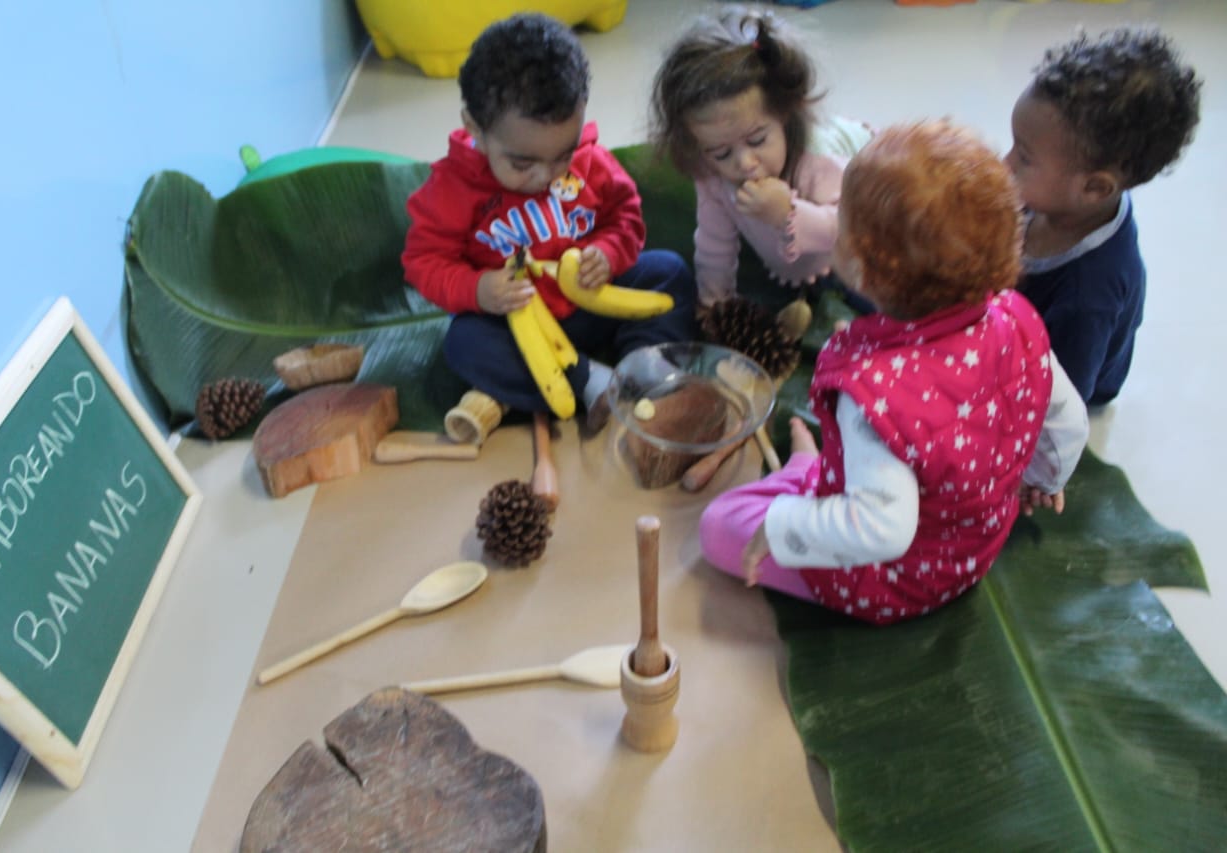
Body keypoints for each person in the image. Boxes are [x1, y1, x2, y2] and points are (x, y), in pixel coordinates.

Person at [699, 120, 1089, 625]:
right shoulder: (1015, 315)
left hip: (897, 580)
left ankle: (800, 477)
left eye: (841, 222)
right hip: (976, 542)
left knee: (719, 525)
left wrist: (781, 528)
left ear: (860, 272)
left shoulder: (874, 393)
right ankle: (807, 478)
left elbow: (881, 529)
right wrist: (1042, 478)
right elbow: (1069, 421)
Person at [401, 12, 696, 433]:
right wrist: (478, 289)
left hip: (595, 303)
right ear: (475, 129)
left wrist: (608, 253)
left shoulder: (591, 162)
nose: (546, 175)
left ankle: (643, 367)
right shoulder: (450, 189)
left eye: (563, 155)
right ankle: (589, 382)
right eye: (523, 164)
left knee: (668, 271)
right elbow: (424, 262)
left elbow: (625, 216)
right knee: (464, 344)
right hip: (515, 328)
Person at [1005, 27, 1201, 407]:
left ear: (1096, 188)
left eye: (1024, 158)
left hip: (1061, 378)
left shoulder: (1087, 298)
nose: (1005, 163)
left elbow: (1062, 402)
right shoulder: (1070, 199)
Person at [649, 4, 870, 310]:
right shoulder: (711, 172)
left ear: (786, 113)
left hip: (862, 236)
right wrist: (714, 304)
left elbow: (855, 228)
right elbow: (715, 244)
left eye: (757, 140)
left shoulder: (818, 160)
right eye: (722, 153)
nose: (744, 163)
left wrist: (788, 214)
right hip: (801, 266)